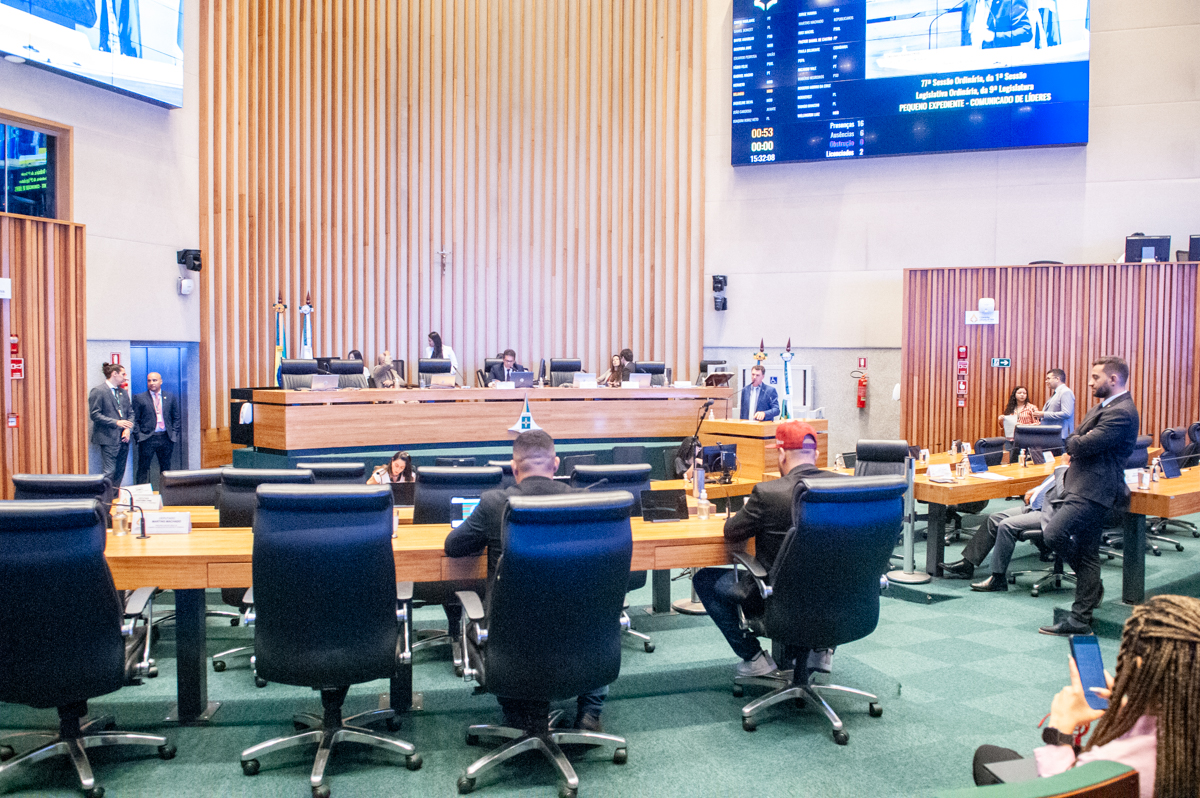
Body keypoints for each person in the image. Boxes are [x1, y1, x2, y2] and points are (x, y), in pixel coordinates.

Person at [443, 430, 609, 732]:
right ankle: (590, 712)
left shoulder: (495, 503)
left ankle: (519, 714)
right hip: (577, 632)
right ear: (555, 464)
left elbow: (453, 546)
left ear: (514, 467)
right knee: (590, 615)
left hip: (513, 637)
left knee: (481, 626)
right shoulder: (585, 502)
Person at [971, 595, 1200, 797]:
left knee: (989, 758)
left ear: (1140, 666)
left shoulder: (1115, 763)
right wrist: (1130, 709)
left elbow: (1062, 792)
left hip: (1071, 783)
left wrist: (1060, 730)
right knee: (1001, 758)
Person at [692, 421, 845, 679]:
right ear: (816, 454)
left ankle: (754, 658)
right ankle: (821, 649)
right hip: (836, 600)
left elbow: (732, 532)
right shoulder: (846, 488)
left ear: (782, 454)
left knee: (704, 579)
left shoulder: (768, 493)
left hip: (777, 602)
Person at [997, 357, 1138, 636]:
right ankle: (1080, 616)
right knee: (1087, 552)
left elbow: (1079, 444)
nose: (1090, 382)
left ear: (1113, 379)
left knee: (1054, 534)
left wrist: (1075, 442)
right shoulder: (1103, 407)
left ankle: (1088, 590)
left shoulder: (1122, 412)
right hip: (1083, 486)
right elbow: (1076, 438)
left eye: (1096, 377)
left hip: (1095, 491)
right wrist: (1076, 441)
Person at [940, 466, 1060, 581]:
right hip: (1034, 507)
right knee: (994, 518)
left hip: (1050, 513)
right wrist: (1037, 489)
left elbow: (1062, 491)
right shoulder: (1064, 468)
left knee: (1006, 525)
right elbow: (1050, 484)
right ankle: (967, 564)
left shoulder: (1068, 471)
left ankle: (997, 578)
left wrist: (1062, 468)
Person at [89, 362, 133, 486]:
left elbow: (131, 413)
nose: (125, 377)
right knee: (109, 472)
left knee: (120, 471)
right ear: (114, 374)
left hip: (124, 438)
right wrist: (117, 422)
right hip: (108, 438)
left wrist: (128, 429)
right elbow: (95, 415)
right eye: (123, 374)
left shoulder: (122, 392)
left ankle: (115, 495)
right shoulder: (98, 391)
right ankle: (106, 496)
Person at [132, 372, 181, 485]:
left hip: (165, 437)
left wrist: (173, 434)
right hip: (147, 438)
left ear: (161, 381)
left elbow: (176, 417)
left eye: (154, 380)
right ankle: (141, 492)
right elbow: (135, 419)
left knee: (166, 468)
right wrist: (139, 436)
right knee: (143, 468)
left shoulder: (170, 396)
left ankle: (166, 492)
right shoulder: (139, 398)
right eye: (149, 380)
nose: (151, 383)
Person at [1034, 368, 1076, 440]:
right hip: (1052, 435)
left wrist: (1043, 414)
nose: (1046, 381)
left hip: (1060, 435)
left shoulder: (1066, 392)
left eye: (1048, 378)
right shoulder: (1057, 393)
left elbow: (1066, 413)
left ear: (1057, 379)